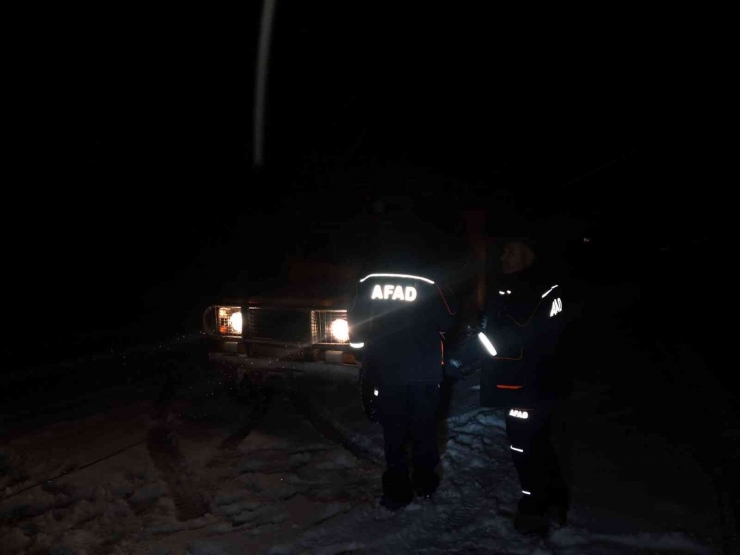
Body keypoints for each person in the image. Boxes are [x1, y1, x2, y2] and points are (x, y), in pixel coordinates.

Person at [478, 237, 571, 535]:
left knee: (524, 447)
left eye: (510, 249)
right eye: (504, 248)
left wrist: (465, 354)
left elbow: (508, 337)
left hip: (525, 384)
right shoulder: (541, 285)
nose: (503, 254)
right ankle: (556, 499)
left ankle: (534, 510)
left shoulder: (528, 289)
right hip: (538, 381)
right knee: (539, 443)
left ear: (529, 255)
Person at [348, 261, 457, 510]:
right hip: (424, 369)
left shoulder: (369, 277)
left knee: (393, 430)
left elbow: (355, 323)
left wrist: (361, 355)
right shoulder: (430, 276)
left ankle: (397, 490)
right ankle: (425, 483)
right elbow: (448, 320)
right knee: (424, 427)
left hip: (386, 370)